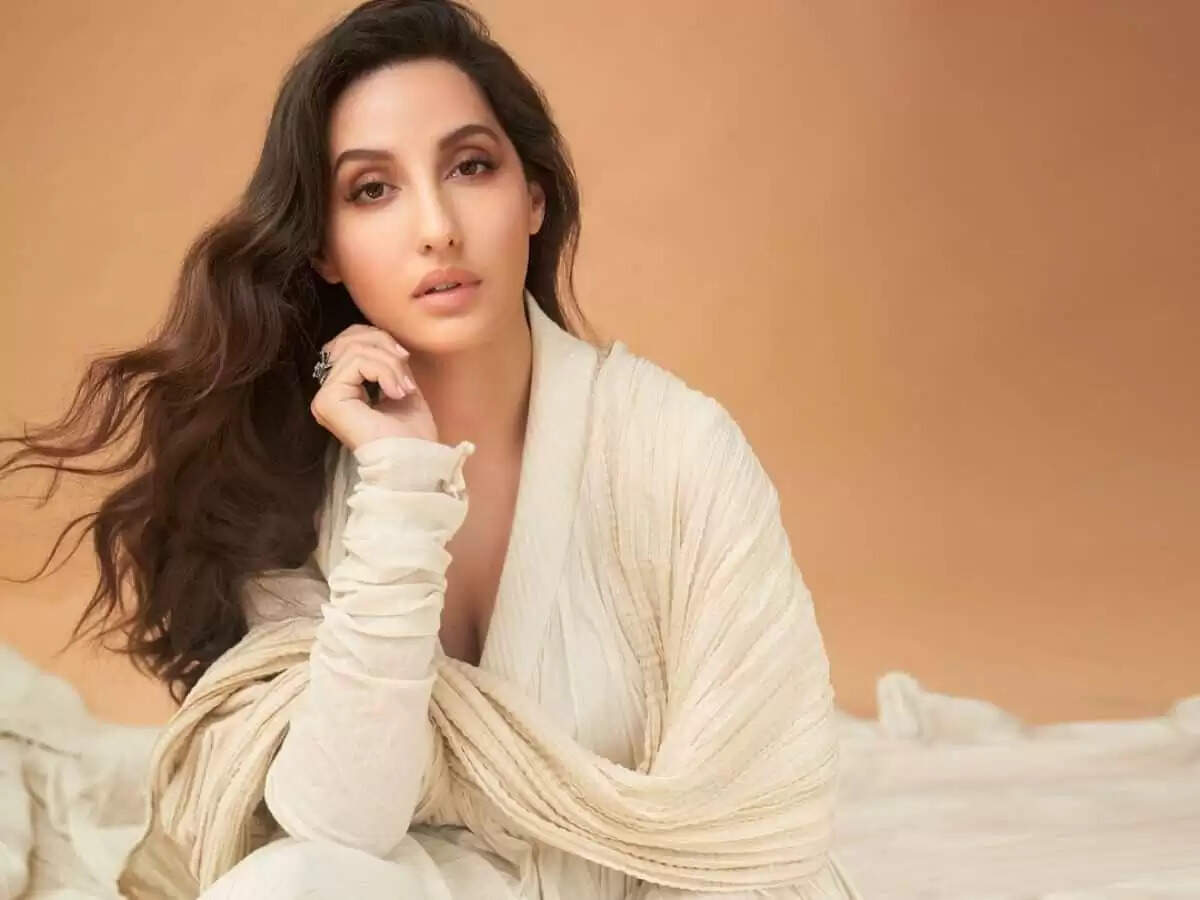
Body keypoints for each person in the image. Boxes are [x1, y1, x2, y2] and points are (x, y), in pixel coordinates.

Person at [1, 1, 860, 897]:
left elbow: (762, 818)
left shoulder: (678, 450)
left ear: (533, 197)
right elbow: (339, 822)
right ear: (325, 249)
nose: (437, 227)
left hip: (655, 890)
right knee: (288, 883)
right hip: (423, 883)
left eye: (470, 166)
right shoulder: (287, 471)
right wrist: (400, 486)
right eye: (373, 189)